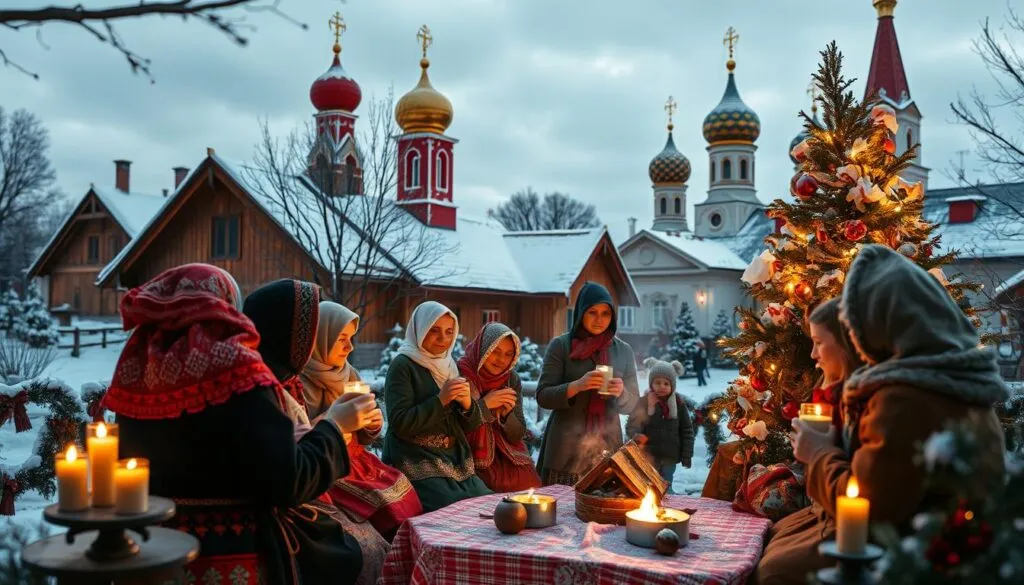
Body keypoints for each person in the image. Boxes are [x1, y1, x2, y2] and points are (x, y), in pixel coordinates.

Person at [753, 245, 1008, 585]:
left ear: (882, 324)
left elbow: (868, 506)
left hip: (918, 553)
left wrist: (819, 454)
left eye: (856, 324)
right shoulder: (942, 380)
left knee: (775, 571)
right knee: (776, 536)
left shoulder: (905, 397)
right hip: (937, 537)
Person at [106, 265, 373, 585]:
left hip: (148, 551)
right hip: (238, 550)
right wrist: (333, 426)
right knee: (352, 556)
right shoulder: (235, 373)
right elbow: (290, 481)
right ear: (228, 309)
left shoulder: (135, 376)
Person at [296, 300, 422, 540]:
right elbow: (301, 436)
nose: (349, 346)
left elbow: (363, 433)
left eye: (351, 338)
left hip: (357, 457)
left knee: (405, 492)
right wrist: (334, 420)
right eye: (341, 338)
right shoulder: (299, 379)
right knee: (382, 504)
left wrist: (371, 424)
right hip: (329, 461)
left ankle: (402, 552)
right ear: (319, 337)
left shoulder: (348, 372)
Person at [381, 301, 492, 512]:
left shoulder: (449, 366)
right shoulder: (403, 366)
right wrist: (440, 400)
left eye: (449, 331)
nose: (443, 339)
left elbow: (467, 426)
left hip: (454, 461)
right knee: (453, 509)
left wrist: (468, 405)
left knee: (486, 504)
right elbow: (400, 423)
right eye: (434, 330)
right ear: (420, 330)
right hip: (414, 459)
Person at [535, 281, 640, 486]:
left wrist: (622, 393)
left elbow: (634, 404)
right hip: (566, 448)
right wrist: (577, 386)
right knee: (561, 511)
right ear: (581, 312)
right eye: (592, 312)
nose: (599, 320)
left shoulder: (623, 350)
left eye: (605, 313)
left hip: (608, 446)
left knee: (603, 508)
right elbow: (543, 396)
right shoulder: (561, 346)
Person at [457, 322, 543, 492]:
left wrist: (507, 416)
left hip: (506, 454)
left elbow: (518, 433)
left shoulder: (511, 380)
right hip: (467, 454)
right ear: (482, 348)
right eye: (495, 351)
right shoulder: (460, 374)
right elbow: (455, 427)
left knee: (529, 485)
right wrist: (486, 405)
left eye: (508, 354)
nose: (501, 360)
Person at [626, 358, 693, 493]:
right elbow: (632, 426)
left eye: (666, 383)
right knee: (648, 487)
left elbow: (686, 430)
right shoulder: (643, 403)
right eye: (658, 383)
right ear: (651, 384)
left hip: (670, 457)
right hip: (648, 456)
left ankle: (667, 506)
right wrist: (637, 435)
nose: (662, 386)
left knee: (666, 486)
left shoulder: (679, 404)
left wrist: (686, 455)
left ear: (672, 386)